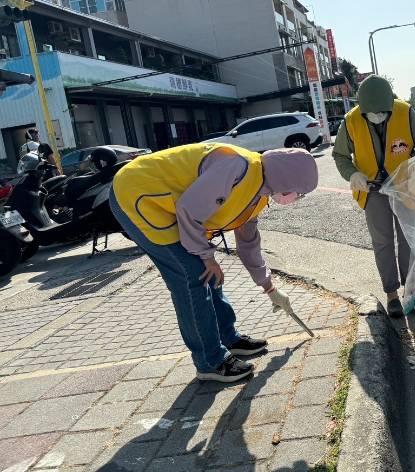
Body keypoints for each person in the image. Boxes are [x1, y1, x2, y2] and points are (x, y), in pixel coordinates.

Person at [110, 144, 318, 382]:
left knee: (211, 275)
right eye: (298, 193)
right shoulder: (238, 167)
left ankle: (227, 337)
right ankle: (209, 361)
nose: (296, 199)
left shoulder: (259, 192)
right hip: (138, 196)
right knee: (194, 276)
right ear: (286, 179)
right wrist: (206, 256)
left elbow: (248, 245)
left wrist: (269, 287)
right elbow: (189, 211)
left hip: (171, 207)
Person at [332, 75, 415, 318]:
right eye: (371, 113)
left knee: (408, 240)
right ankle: (392, 295)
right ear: (361, 108)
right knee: (382, 241)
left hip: (404, 187)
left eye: (383, 112)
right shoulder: (350, 121)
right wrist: (353, 174)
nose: (377, 116)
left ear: (391, 104)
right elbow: (340, 155)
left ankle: (411, 291)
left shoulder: (406, 113)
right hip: (372, 190)